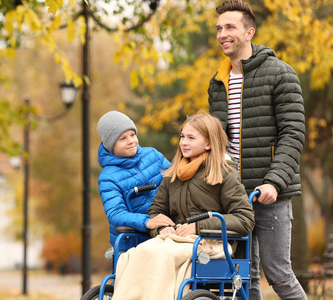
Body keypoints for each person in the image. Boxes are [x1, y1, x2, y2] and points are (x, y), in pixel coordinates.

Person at [208, 1, 306, 299]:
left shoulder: (280, 74)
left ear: (249, 32)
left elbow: (293, 134)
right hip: (234, 195)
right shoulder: (217, 82)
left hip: (270, 193)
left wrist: (274, 182)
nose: (223, 33)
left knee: (278, 274)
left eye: (230, 27)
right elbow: (217, 139)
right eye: (219, 28)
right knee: (241, 276)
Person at [111, 113, 255, 300]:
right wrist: (161, 228)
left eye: (191, 138)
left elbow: (245, 219)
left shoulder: (223, 173)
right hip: (176, 239)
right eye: (182, 136)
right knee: (136, 253)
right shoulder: (173, 174)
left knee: (161, 256)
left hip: (212, 242)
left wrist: (198, 227)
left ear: (209, 143)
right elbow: (156, 211)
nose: (184, 142)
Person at [97, 110, 173, 249]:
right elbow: (116, 213)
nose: (131, 141)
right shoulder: (108, 177)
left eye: (132, 134)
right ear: (110, 145)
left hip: (165, 227)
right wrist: (147, 222)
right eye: (122, 138)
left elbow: (176, 180)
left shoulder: (152, 155)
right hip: (133, 238)